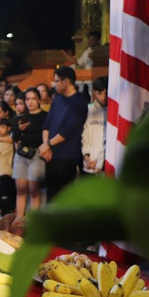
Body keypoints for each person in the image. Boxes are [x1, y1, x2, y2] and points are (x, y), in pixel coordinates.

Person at [40, 66, 88, 200]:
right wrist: (46, 147)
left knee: (64, 197)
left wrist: (47, 144)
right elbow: (46, 125)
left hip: (67, 156)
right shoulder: (57, 100)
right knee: (50, 196)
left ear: (66, 81)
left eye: (56, 81)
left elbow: (69, 130)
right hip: (50, 155)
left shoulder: (79, 102)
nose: (54, 84)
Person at [12, 87, 48, 216]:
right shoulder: (20, 117)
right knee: (20, 189)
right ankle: (19, 220)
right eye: (27, 99)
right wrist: (19, 129)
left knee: (34, 190)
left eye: (33, 98)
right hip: (21, 155)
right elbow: (14, 137)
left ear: (39, 100)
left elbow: (44, 137)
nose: (30, 102)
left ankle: (33, 223)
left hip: (37, 155)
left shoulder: (45, 116)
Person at [81, 76, 108, 175]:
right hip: (88, 163)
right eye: (99, 93)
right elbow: (85, 135)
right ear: (94, 92)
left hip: (105, 165)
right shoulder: (89, 109)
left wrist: (100, 162)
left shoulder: (114, 112)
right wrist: (86, 156)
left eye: (106, 93)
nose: (103, 97)